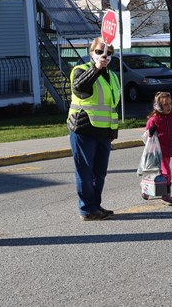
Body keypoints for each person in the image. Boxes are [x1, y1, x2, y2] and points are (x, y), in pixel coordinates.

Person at [67, 37, 121, 221]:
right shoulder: (80, 70)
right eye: (99, 51)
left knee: (100, 173)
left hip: (104, 132)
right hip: (83, 130)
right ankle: (87, 209)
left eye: (107, 53)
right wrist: (96, 68)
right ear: (91, 53)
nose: (103, 55)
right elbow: (79, 87)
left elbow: (111, 105)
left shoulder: (113, 76)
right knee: (85, 171)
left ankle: (95, 206)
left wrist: (113, 130)